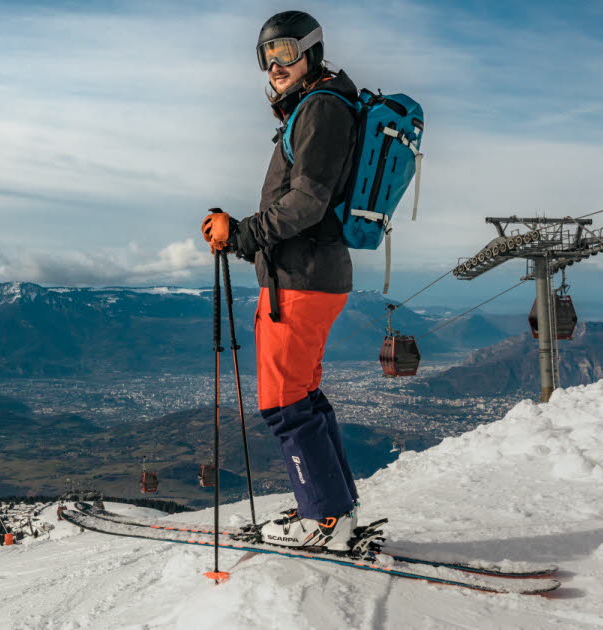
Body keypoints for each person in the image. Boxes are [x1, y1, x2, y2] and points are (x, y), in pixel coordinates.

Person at [201, 10, 360, 550]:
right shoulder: (322, 105)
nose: (274, 64)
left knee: (284, 403)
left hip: (301, 279)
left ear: (311, 51)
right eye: (265, 55)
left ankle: (327, 520)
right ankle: (334, 509)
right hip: (310, 275)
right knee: (304, 396)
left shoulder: (321, 108)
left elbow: (307, 202)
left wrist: (244, 234)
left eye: (286, 51)